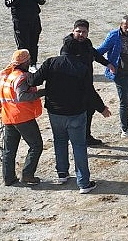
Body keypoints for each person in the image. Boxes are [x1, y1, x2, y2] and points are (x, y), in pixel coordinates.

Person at [27, 40, 97, 194]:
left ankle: (62, 173)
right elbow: (89, 91)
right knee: (79, 146)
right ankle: (83, 183)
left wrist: (23, 73)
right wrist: (101, 108)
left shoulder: (51, 62)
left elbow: (33, 80)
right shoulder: (81, 67)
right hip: (76, 113)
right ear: (77, 53)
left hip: (55, 112)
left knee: (59, 141)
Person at [60, 19, 114, 146]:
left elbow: (94, 54)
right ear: (73, 31)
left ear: (88, 33)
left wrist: (107, 64)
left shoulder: (87, 43)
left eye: (84, 32)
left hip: (87, 82)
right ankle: (75, 138)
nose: (81, 34)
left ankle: (86, 136)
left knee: (89, 110)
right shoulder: (68, 47)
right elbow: (66, 63)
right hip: (75, 86)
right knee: (78, 113)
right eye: (78, 31)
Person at [96, 15, 128, 139]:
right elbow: (101, 50)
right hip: (120, 73)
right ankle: (125, 129)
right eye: (125, 27)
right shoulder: (114, 35)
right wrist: (106, 63)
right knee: (125, 102)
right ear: (121, 25)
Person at [0, 49, 43, 186]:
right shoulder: (22, 77)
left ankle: (8, 178)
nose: (30, 62)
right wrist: (41, 93)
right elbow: (21, 96)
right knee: (36, 146)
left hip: (8, 117)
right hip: (22, 117)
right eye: (28, 60)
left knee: (9, 150)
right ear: (25, 62)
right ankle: (28, 175)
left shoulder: (7, 75)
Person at [4, 0, 46, 72]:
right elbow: (7, 3)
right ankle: (22, 67)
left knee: (34, 44)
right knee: (23, 46)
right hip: (20, 21)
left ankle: (33, 64)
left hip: (34, 20)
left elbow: (43, 1)